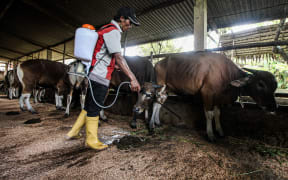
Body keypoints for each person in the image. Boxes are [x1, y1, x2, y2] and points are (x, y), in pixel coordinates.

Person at [66, 7, 141, 150]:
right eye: (129, 22)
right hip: (100, 76)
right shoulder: (113, 31)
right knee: (95, 107)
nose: (130, 26)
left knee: (89, 105)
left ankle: (74, 131)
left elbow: (104, 55)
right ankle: (92, 140)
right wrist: (133, 78)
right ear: (122, 19)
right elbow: (119, 57)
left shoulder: (105, 28)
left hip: (94, 73)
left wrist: (114, 65)